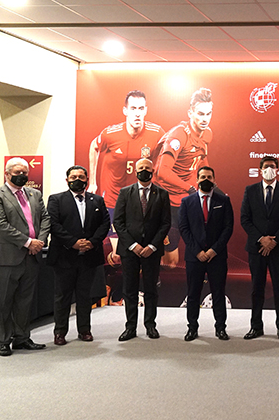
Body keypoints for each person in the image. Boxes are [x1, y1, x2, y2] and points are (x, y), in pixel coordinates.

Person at [88, 90, 164, 301]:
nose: (137, 113)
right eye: (133, 109)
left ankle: (139, 294)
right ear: (125, 110)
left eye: (141, 109)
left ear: (146, 110)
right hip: (114, 201)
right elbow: (94, 147)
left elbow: (164, 159)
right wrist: (93, 181)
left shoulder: (157, 133)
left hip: (143, 203)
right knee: (120, 255)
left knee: (145, 251)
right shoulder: (111, 133)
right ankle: (116, 296)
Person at [0, 157, 51, 357]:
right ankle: (3, 341)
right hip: (6, 258)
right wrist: (28, 242)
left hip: (32, 257)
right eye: (17, 172)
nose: (22, 176)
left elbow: (45, 218)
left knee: (24, 301)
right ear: (7, 174)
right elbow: (1, 225)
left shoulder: (34, 194)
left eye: (24, 172)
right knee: (3, 302)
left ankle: (22, 338)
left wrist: (39, 241)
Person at [46, 165, 111, 345]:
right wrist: (73, 242)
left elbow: (105, 224)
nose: (77, 180)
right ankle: (60, 332)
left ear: (87, 180)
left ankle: (84, 330)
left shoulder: (97, 200)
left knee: (85, 296)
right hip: (64, 256)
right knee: (62, 296)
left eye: (81, 177)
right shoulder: (56, 199)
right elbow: (53, 224)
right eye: (73, 177)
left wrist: (92, 242)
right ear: (67, 180)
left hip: (89, 256)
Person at [112, 158, 171, 341]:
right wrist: (133, 245)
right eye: (141, 168)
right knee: (129, 289)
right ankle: (130, 327)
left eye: (147, 168)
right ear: (135, 171)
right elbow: (118, 222)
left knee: (151, 289)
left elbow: (165, 223)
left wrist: (152, 246)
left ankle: (150, 325)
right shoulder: (125, 192)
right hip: (130, 250)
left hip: (152, 251)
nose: (144, 170)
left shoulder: (162, 194)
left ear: (153, 171)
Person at [154, 87, 214, 267]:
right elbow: (162, 172)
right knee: (165, 260)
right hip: (166, 203)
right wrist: (190, 188)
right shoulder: (179, 135)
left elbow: (202, 160)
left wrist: (212, 185)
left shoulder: (207, 133)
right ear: (190, 113)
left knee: (181, 259)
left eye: (208, 113)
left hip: (186, 203)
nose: (204, 118)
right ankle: (148, 291)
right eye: (200, 113)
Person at [241, 155, 279, 340]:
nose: (269, 169)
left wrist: (274, 241)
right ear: (260, 170)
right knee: (257, 288)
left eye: (272, 166)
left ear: (277, 170)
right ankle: (256, 327)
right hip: (256, 248)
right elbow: (245, 219)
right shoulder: (250, 191)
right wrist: (261, 239)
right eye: (266, 166)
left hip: (278, 248)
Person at [179, 166, 234, 341]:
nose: (206, 179)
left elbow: (228, 228)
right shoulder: (187, 202)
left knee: (218, 293)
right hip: (194, 257)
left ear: (214, 180)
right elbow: (184, 229)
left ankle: (221, 328)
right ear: (197, 180)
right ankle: (192, 328)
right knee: (193, 294)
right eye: (202, 176)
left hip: (216, 256)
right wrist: (198, 251)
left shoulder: (223, 201)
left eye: (209, 177)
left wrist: (213, 250)